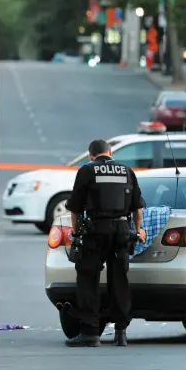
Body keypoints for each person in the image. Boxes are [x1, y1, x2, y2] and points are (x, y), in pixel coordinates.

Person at [64, 139, 146, 347]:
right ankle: (121, 333)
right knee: (119, 279)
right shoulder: (127, 171)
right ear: (110, 152)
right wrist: (139, 230)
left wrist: (76, 232)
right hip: (121, 231)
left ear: (91, 155)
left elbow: (75, 208)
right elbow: (137, 207)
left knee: (88, 279)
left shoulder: (87, 171)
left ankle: (90, 333)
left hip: (96, 230)